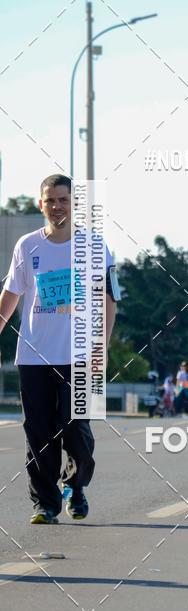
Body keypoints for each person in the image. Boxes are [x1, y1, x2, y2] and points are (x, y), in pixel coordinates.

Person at [0, 175, 117, 524]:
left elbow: (109, 300)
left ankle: (76, 486)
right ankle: (45, 504)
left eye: (63, 199)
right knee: (38, 432)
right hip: (34, 355)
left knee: (76, 429)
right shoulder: (27, 246)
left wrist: (102, 346)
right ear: (41, 205)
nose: (57, 206)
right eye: (50, 200)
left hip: (80, 357)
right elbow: (11, 295)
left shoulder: (94, 246)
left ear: (74, 203)